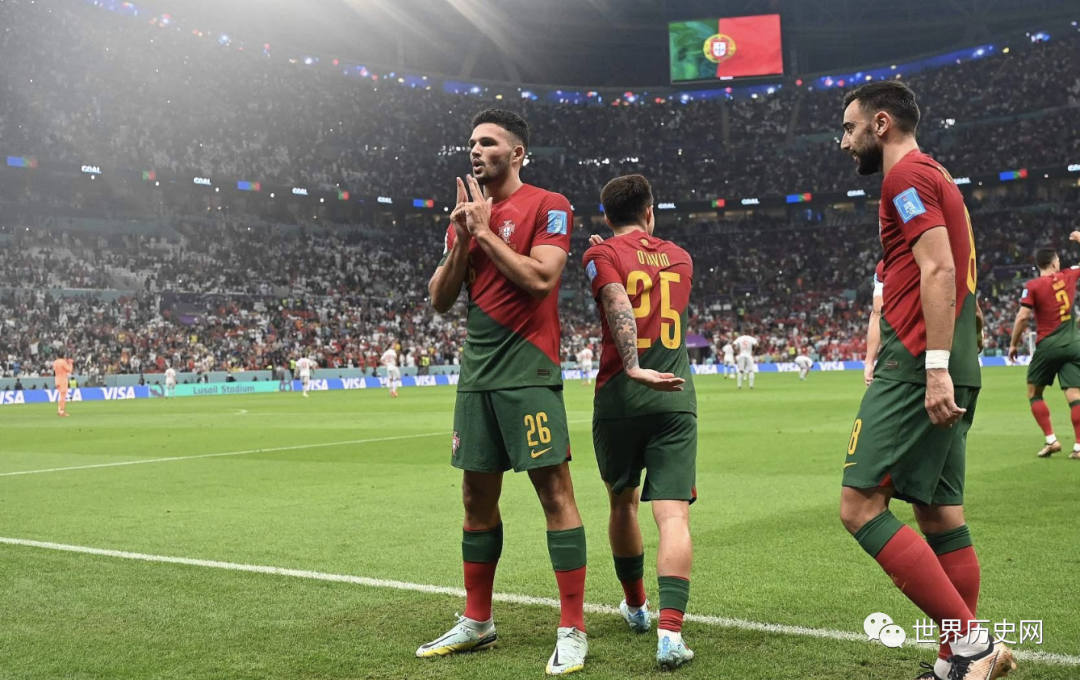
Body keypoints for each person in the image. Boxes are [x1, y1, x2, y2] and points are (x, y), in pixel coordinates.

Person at [839, 80, 1014, 680]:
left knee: (860, 506)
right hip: (955, 359)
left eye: (850, 128)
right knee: (940, 515)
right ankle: (952, 665)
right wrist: (954, 360)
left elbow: (938, 267)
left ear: (880, 124)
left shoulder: (906, 177)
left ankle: (973, 645)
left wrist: (934, 367)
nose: (845, 142)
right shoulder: (938, 176)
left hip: (917, 364)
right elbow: (956, 269)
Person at [417, 109, 588, 676]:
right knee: (475, 498)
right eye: (471, 142)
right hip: (477, 376)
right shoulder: (465, 220)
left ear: (516, 153)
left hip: (529, 372)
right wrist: (465, 238)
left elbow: (542, 278)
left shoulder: (548, 205)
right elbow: (440, 298)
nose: (475, 149)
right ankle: (477, 620)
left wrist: (487, 233)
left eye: (487, 142)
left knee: (554, 493)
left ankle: (572, 628)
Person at [583, 174, 697, 670]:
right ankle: (670, 635)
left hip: (619, 396)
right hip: (673, 395)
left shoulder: (600, 254)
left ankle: (635, 608)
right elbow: (641, 279)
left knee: (622, 503)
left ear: (607, 217)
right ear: (650, 211)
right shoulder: (682, 257)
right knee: (673, 517)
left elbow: (616, 298)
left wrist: (631, 365)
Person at [1008, 236, 1080, 459]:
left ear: (1038, 265)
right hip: (1074, 344)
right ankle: (1079, 446)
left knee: (1034, 392)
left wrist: (1013, 344)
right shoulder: (1069, 275)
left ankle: (1051, 440)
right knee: (1075, 394)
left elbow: (1022, 317)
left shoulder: (1033, 286)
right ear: (1055, 262)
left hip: (1048, 345)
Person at [865, 260, 885, 387]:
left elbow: (878, 313)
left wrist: (870, 362)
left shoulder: (885, 266)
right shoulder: (884, 267)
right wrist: (869, 362)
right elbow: (878, 313)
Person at [52, 351, 73, 417]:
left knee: (61, 396)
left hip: (57, 379)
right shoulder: (63, 362)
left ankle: (59, 410)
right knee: (63, 396)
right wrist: (70, 363)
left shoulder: (55, 362)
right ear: (64, 355)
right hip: (63, 380)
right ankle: (61, 411)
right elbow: (69, 370)